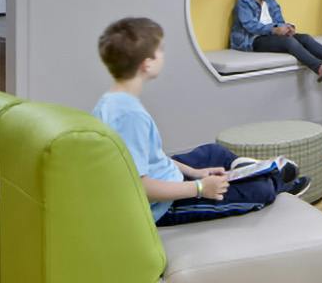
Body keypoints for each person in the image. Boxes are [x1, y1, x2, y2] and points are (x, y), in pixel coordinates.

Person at [92, 16, 309, 225]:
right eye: (160, 51)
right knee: (259, 191)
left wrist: (195, 172)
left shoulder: (111, 102)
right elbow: (139, 186)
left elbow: (152, 157)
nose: (163, 56)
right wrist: (200, 187)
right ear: (147, 64)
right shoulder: (130, 116)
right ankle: (275, 182)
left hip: (168, 177)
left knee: (214, 153)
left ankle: (249, 172)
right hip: (165, 205)